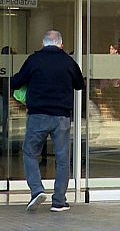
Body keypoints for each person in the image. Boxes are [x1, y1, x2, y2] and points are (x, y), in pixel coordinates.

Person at [11, 30, 84, 212]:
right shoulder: (68, 61)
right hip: (61, 117)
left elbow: (16, 82)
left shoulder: (34, 60)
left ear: (43, 44)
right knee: (62, 158)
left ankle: (37, 190)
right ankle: (59, 201)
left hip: (38, 116)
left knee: (30, 153)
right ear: (61, 44)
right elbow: (79, 84)